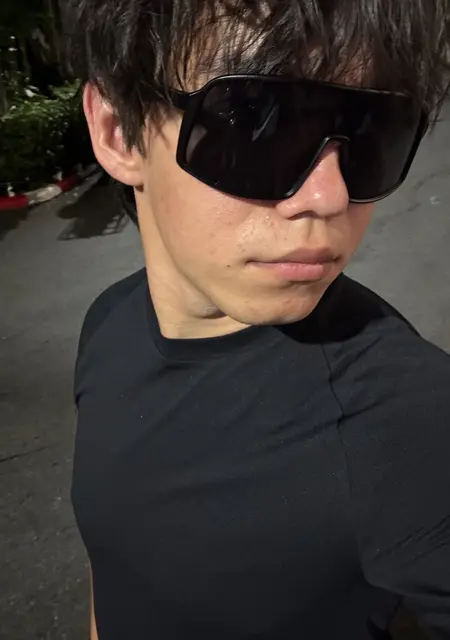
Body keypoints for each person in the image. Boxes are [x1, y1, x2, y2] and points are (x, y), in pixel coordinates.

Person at [67, 1, 450, 638]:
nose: (329, 196)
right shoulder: (108, 327)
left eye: (373, 131)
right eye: (258, 123)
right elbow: (113, 561)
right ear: (117, 132)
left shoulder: (405, 415)